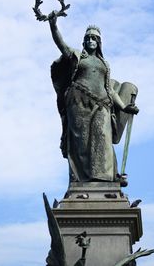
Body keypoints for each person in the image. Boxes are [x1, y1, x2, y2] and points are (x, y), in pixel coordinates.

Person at [48, 11, 138, 185]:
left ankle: (105, 177)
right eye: (88, 38)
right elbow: (61, 43)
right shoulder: (77, 56)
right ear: (84, 41)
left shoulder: (104, 63)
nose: (91, 41)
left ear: (99, 43)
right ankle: (82, 180)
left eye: (94, 39)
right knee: (81, 143)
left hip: (102, 104)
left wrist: (124, 107)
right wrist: (53, 25)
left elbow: (110, 90)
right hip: (79, 103)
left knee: (102, 140)